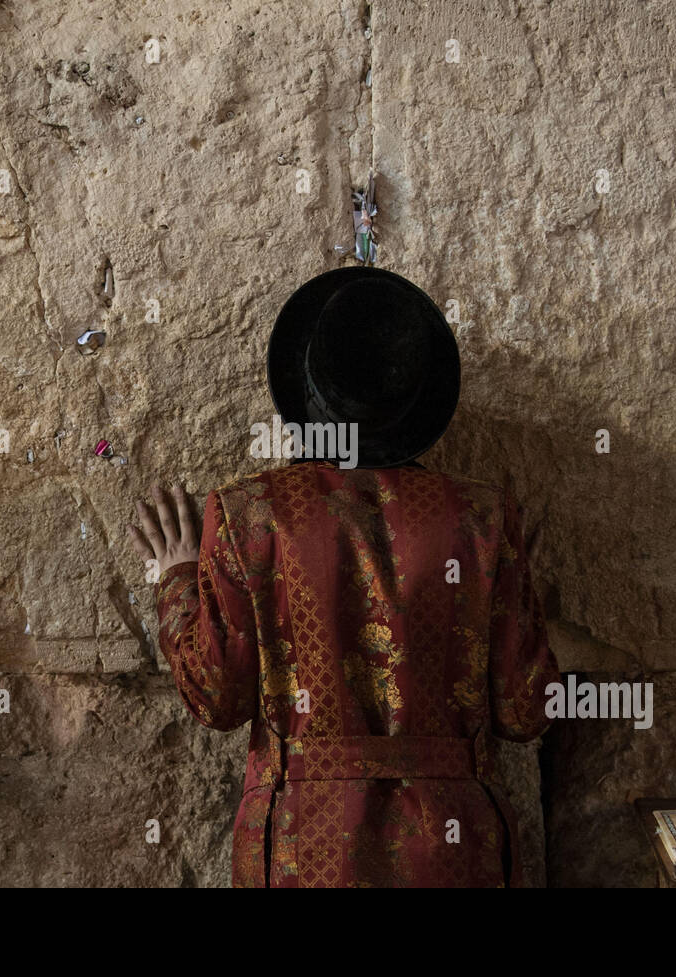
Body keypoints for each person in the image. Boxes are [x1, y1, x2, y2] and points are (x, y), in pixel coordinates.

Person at [128, 267, 559, 887]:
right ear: (417, 397)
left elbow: (217, 697)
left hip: (306, 849)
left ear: (307, 390)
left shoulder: (250, 516)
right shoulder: (486, 520)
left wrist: (177, 578)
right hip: (452, 849)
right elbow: (526, 710)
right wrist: (521, 589)